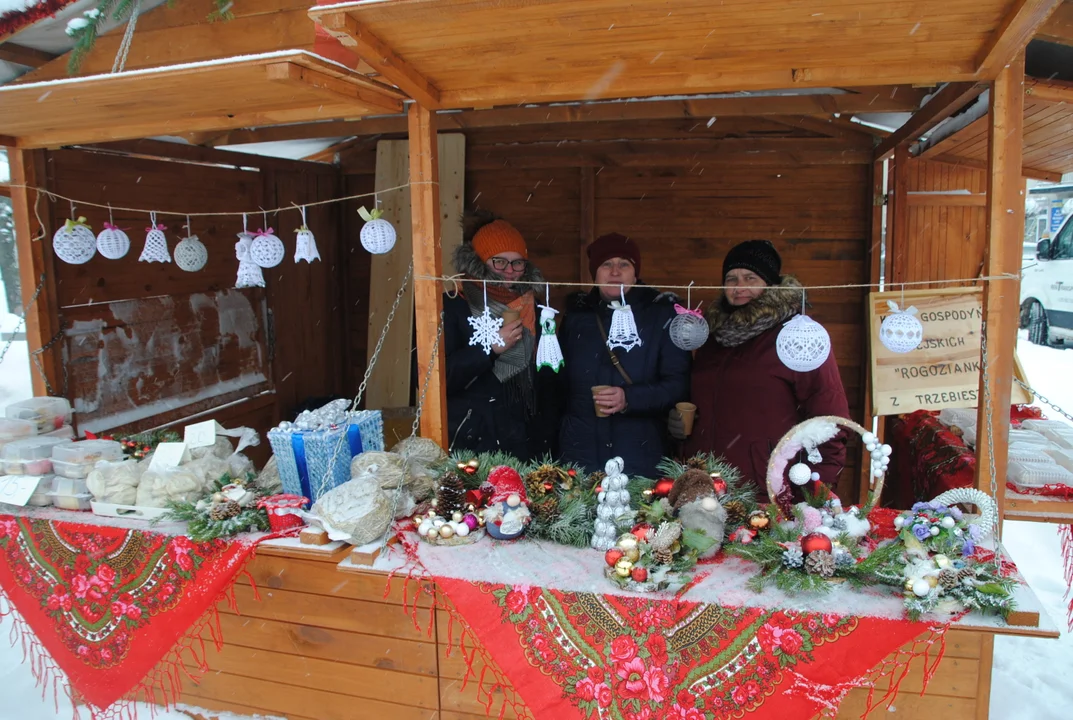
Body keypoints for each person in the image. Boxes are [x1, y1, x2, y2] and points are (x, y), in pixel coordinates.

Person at [676, 239, 850, 490]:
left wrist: (818, 486)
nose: (739, 287)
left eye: (750, 278)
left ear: (770, 284)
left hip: (767, 487)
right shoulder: (713, 337)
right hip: (707, 485)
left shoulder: (797, 337)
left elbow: (829, 418)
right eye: (731, 279)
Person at [557, 233, 691, 478]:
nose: (615, 271)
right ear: (594, 273)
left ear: (635, 273)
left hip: (642, 456)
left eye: (624, 264)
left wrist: (629, 398)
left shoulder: (662, 316)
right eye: (606, 264)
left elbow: (678, 384)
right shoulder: (576, 317)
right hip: (581, 456)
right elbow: (557, 385)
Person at [443, 212, 552, 461]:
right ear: (480, 261)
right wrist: (489, 347)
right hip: (469, 439)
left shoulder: (536, 308)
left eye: (517, 262)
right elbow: (441, 377)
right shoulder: (453, 305)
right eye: (499, 262)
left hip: (521, 440)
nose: (510, 271)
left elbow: (546, 380)